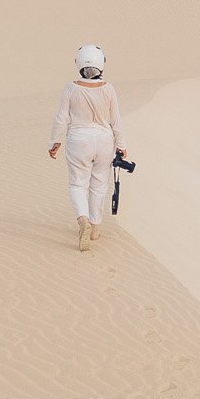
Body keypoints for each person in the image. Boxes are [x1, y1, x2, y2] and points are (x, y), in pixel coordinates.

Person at [47, 44, 127, 252]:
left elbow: (61, 117)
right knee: (99, 186)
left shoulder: (70, 88)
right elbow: (116, 120)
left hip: (78, 141)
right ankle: (94, 228)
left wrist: (54, 141)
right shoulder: (109, 89)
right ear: (101, 63)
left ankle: (82, 221)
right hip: (104, 141)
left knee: (77, 185)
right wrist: (122, 145)